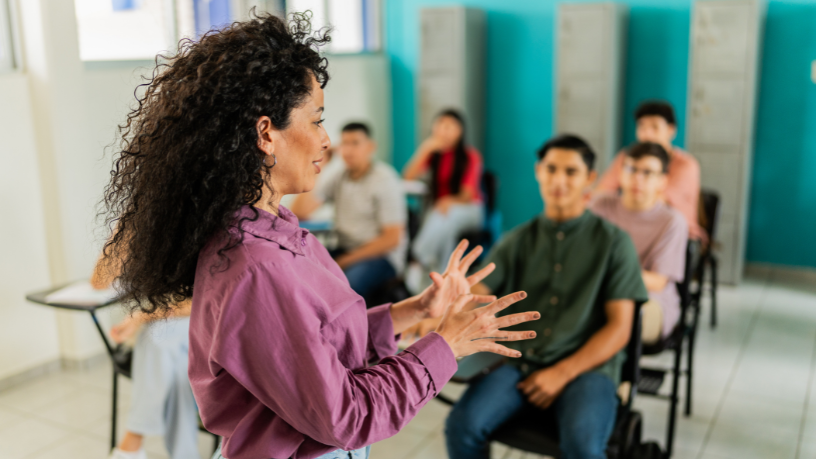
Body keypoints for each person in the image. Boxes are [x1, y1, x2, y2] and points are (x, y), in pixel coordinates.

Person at [98, 12, 540, 459]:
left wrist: (415, 310)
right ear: (266, 134)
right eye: (316, 120)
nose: (327, 141)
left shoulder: (274, 230)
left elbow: (318, 345)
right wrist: (446, 346)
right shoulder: (258, 268)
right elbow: (346, 414)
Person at [443, 134, 648, 459]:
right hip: (521, 361)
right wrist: (451, 301)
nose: (559, 180)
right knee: (461, 427)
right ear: (538, 171)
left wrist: (562, 373)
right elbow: (480, 289)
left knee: (582, 447)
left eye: (570, 172)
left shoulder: (614, 243)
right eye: (551, 169)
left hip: (588, 367)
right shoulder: (518, 239)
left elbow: (620, 328)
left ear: (589, 179)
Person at [90, 255, 199, 459]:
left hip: (206, 324)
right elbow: (99, 282)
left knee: (157, 337)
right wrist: (126, 228)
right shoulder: (154, 229)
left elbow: (209, 301)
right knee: (176, 370)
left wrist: (143, 315)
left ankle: (132, 441)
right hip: (170, 343)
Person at [290, 122, 407, 301]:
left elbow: (392, 238)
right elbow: (299, 210)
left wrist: (347, 260)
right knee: (299, 273)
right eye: (344, 143)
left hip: (381, 257)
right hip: (345, 249)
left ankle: (346, 329)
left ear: (370, 147)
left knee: (343, 290)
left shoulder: (385, 179)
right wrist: (323, 164)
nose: (349, 150)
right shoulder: (340, 176)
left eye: (355, 143)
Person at [591, 142, 689, 344]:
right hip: (598, 291)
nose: (638, 178)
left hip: (651, 300)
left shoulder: (672, 222)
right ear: (620, 173)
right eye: (631, 169)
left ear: (663, 181)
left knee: (622, 320)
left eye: (647, 173)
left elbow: (657, 281)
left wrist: (607, 273)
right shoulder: (599, 205)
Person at [595, 100, 704, 241]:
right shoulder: (626, 157)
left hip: (676, 234)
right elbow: (601, 191)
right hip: (630, 227)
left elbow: (657, 202)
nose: (647, 134)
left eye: (655, 127)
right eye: (642, 127)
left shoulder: (686, 165)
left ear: (671, 130)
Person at [403, 109, 485, 273]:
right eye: (439, 125)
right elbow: (407, 177)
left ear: (460, 130)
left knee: (446, 216)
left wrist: (447, 201)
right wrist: (425, 148)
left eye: (449, 126)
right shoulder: (434, 155)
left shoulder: (470, 156)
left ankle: (418, 258)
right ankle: (442, 274)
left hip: (469, 208)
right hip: (441, 211)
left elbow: (467, 195)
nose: (443, 131)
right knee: (447, 229)